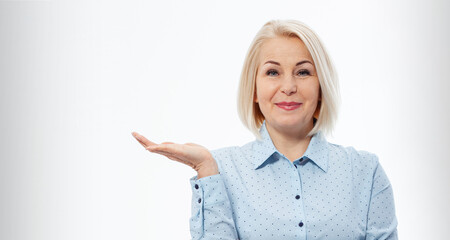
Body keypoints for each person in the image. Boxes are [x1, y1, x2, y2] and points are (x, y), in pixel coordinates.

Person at [132, 19, 398, 240]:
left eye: (303, 72)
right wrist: (207, 171)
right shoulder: (221, 170)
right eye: (273, 73)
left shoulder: (366, 172)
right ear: (255, 90)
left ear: (321, 89)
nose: (288, 86)